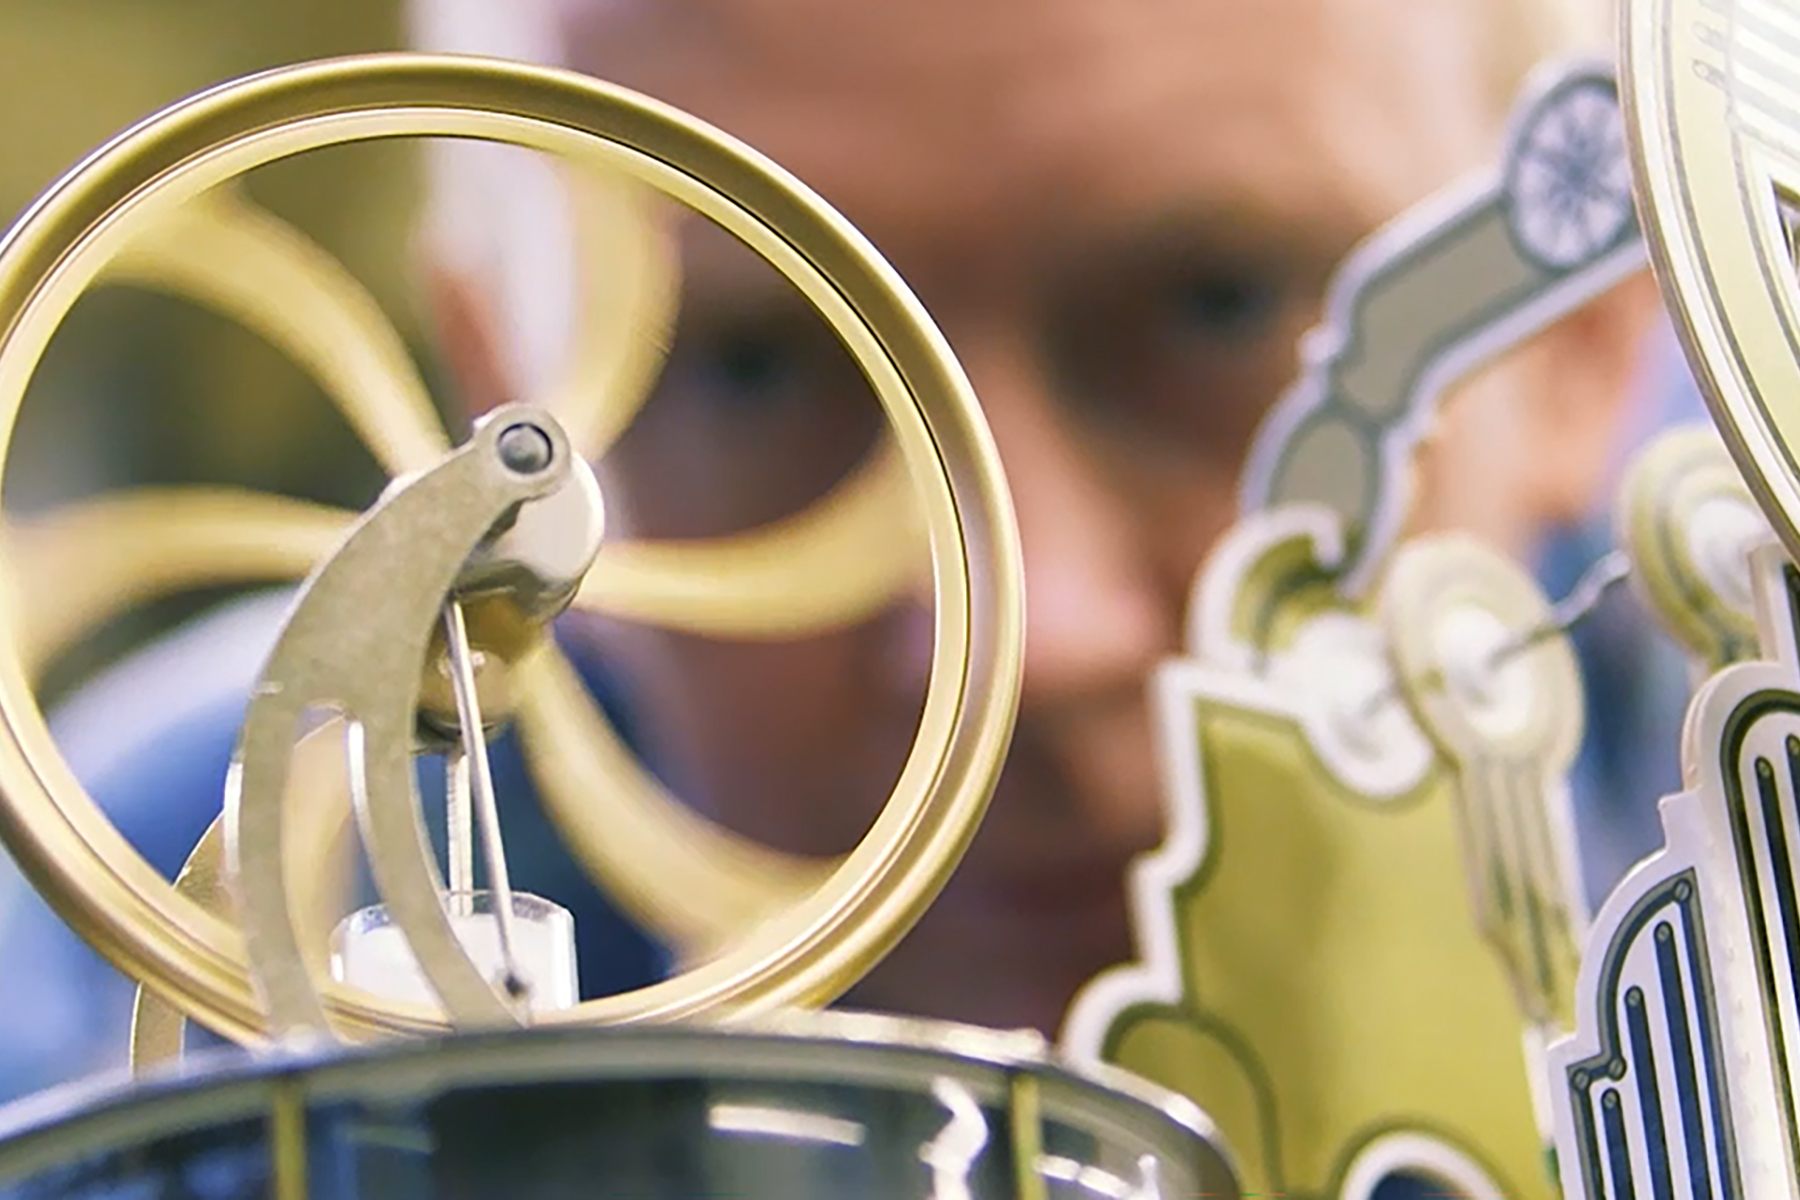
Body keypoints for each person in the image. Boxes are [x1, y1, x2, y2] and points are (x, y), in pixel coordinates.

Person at [0, 0, 1660, 1137]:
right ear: (506, 394)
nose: (1023, 638)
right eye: (757, 367)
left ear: (1588, 337)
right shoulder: (114, 969)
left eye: (1216, 307)